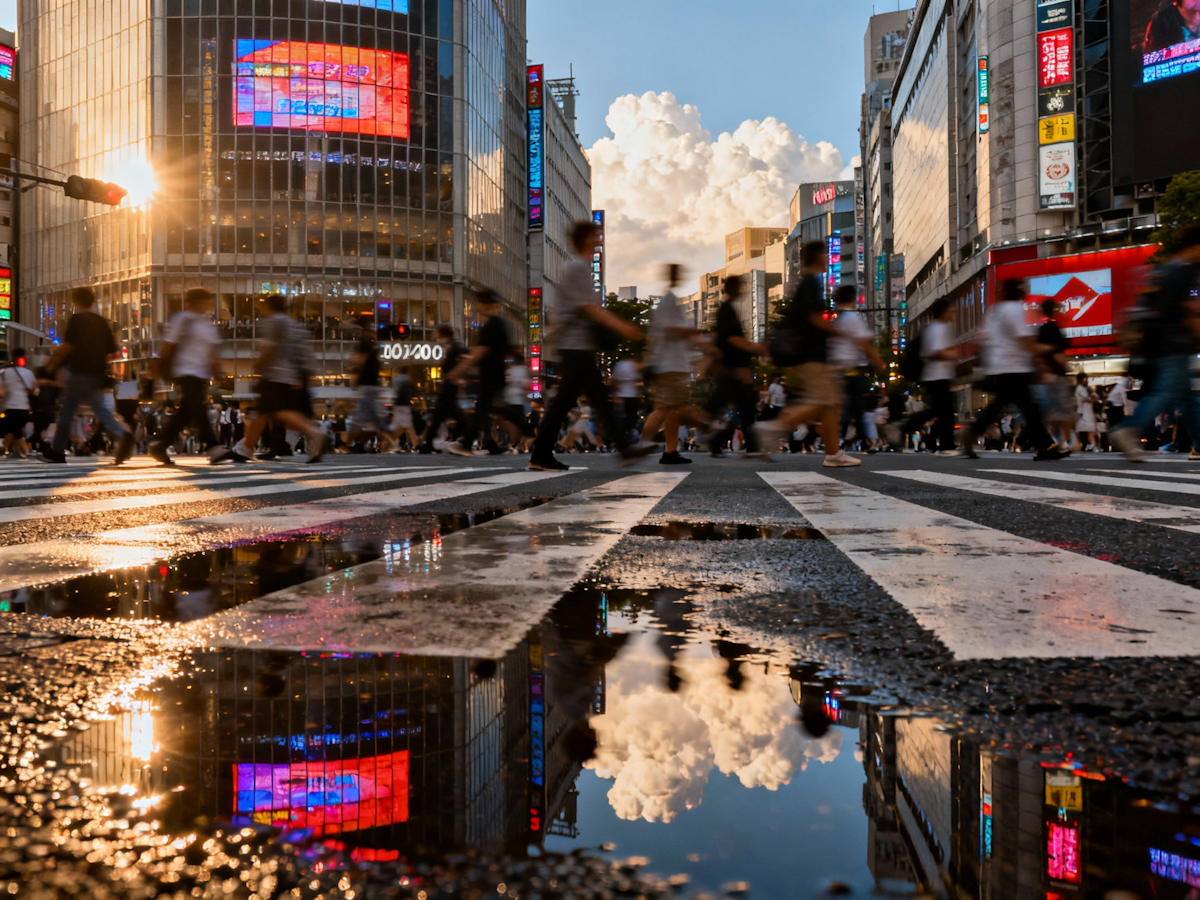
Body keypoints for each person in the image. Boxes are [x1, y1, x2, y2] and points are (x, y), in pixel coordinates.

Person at [528, 220, 652, 471]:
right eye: (596, 235)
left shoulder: (580, 267)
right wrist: (624, 327)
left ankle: (540, 454)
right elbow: (589, 309)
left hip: (577, 345)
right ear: (585, 238)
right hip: (576, 345)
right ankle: (625, 448)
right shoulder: (577, 268)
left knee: (567, 402)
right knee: (597, 399)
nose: (600, 239)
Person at [754, 241, 861, 467]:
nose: (828, 257)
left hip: (810, 356)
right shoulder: (811, 283)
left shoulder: (808, 282)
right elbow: (813, 318)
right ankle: (772, 428)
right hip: (813, 355)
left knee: (829, 404)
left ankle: (833, 453)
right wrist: (840, 333)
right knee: (822, 402)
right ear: (817, 256)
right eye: (825, 253)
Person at [1110, 225, 1200, 462]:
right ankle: (1131, 427)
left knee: (1185, 395)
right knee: (1165, 391)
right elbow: (1190, 310)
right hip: (1174, 342)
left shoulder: (1164, 270)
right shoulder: (1186, 273)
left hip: (1155, 343)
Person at [956, 279, 1067, 461]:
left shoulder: (995, 311)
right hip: (1013, 366)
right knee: (1028, 408)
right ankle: (1045, 445)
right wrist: (1049, 349)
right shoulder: (1014, 309)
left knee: (1006, 406)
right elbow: (1024, 340)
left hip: (998, 366)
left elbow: (984, 338)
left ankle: (1044, 445)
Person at [39, 287, 135, 465]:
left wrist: (50, 364)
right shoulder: (101, 322)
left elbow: (68, 346)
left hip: (79, 372)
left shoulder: (77, 320)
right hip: (96, 374)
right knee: (101, 411)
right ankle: (123, 434)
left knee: (66, 412)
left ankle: (57, 451)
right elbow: (112, 352)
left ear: (75, 301)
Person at [230, 293, 327, 463]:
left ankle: (314, 434)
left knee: (277, 411)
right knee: (263, 411)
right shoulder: (293, 324)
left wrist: (260, 365)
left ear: (269, 306)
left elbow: (270, 347)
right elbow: (305, 350)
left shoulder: (274, 321)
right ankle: (247, 447)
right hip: (290, 374)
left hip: (275, 373)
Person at [148, 287, 234, 465]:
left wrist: (217, 369)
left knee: (188, 409)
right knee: (196, 406)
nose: (208, 305)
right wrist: (158, 369)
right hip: (184, 371)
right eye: (204, 301)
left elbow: (211, 350)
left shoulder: (206, 323)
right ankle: (213, 446)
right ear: (193, 303)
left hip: (201, 373)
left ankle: (160, 445)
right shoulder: (183, 319)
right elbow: (169, 345)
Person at [638, 264, 714, 466]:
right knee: (670, 408)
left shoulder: (670, 300)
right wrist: (698, 332)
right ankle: (640, 445)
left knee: (670, 411)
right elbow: (672, 330)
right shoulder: (669, 300)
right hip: (669, 365)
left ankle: (669, 451)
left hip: (673, 365)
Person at [444, 290, 534, 456]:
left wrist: (459, 369)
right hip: (496, 374)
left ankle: (466, 443)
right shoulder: (500, 324)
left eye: (479, 302)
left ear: (485, 304)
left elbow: (481, 351)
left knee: (484, 409)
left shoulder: (492, 324)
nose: (476, 306)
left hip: (491, 375)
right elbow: (508, 350)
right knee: (497, 409)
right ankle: (492, 442)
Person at [708, 274, 769, 458]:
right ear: (733, 288)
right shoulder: (727, 310)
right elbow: (731, 339)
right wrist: (755, 347)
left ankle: (744, 444)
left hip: (732, 368)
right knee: (742, 407)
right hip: (733, 368)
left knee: (744, 407)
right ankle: (746, 444)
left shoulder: (728, 309)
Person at [894, 297, 961, 456]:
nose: (953, 314)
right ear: (944, 312)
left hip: (937, 375)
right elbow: (933, 352)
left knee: (941, 411)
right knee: (944, 412)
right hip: (935, 376)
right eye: (951, 311)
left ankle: (934, 441)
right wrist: (952, 355)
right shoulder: (937, 328)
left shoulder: (937, 328)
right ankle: (942, 442)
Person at [829, 285, 884, 453]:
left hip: (839, 371)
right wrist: (878, 360)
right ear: (853, 298)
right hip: (851, 371)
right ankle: (848, 442)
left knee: (853, 409)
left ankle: (864, 441)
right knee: (851, 409)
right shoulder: (852, 318)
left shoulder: (838, 319)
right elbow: (863, 343)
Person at [342, 318, 394, 453]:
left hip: (367, 386)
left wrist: (353, 365)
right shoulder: (371, 345)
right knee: (374, 418)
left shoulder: (365, 343)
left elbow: (362, 360)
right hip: (372, 385)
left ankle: (347, 444)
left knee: (360, 417)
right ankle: (391, 442)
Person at [1031, 299, 1075, 453]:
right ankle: (1062, 441)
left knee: (1050, 411)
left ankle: (1054, 440)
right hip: (1056, 373)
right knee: (1062, 410)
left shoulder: (1043, 329)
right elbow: (1058, 350)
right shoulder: (1053, 328)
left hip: (1047, 374)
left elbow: (1039, 352)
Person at [417, 325, 468, 453]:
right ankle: (458, 439)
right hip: (449, 387)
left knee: (444, 416)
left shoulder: (455, 347)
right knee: (445, 416)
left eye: (439, 335)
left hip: (450, 386)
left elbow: (464, 360)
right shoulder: (451, 347)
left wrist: (457, 378)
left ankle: (457, 439)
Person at [1, 349, 38, 459]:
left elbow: (1, 390)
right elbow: (34, 390)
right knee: (15, 428)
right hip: (23, 406)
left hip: (8, 405)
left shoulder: (3, 372)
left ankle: (22, 451)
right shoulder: (28, 373)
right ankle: (19, 450)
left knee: (12, 428)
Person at [389, 366, 421, 451]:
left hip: (397, 405)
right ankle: (416, 444)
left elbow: (393, 393)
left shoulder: (395, 380)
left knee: (398, 426)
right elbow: (414, 393)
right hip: (406, 406)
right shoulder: (408, 381)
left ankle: (392, 444)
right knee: (408, 427)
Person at [611, 357, 642, 444]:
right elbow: (639, 380)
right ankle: (628, 434)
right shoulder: (634, 365)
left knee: (622, 417)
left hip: (622, 394)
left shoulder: (619, 365)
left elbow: (615, 380)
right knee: (632, 417)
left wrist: (614, 394)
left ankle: (622, 436)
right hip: (632, 395)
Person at [1073, 373, 1100, 451]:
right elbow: (1086, 398)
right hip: (1082, 411)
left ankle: (1092, 444)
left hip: (1088, 411)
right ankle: (1080, 444)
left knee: (1090, 429)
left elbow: (1093, 396)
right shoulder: (1079, 388)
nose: (1086, 381)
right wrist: (1094, 399)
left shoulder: (1086, 388)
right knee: (1081, 429)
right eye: (1084, 380)